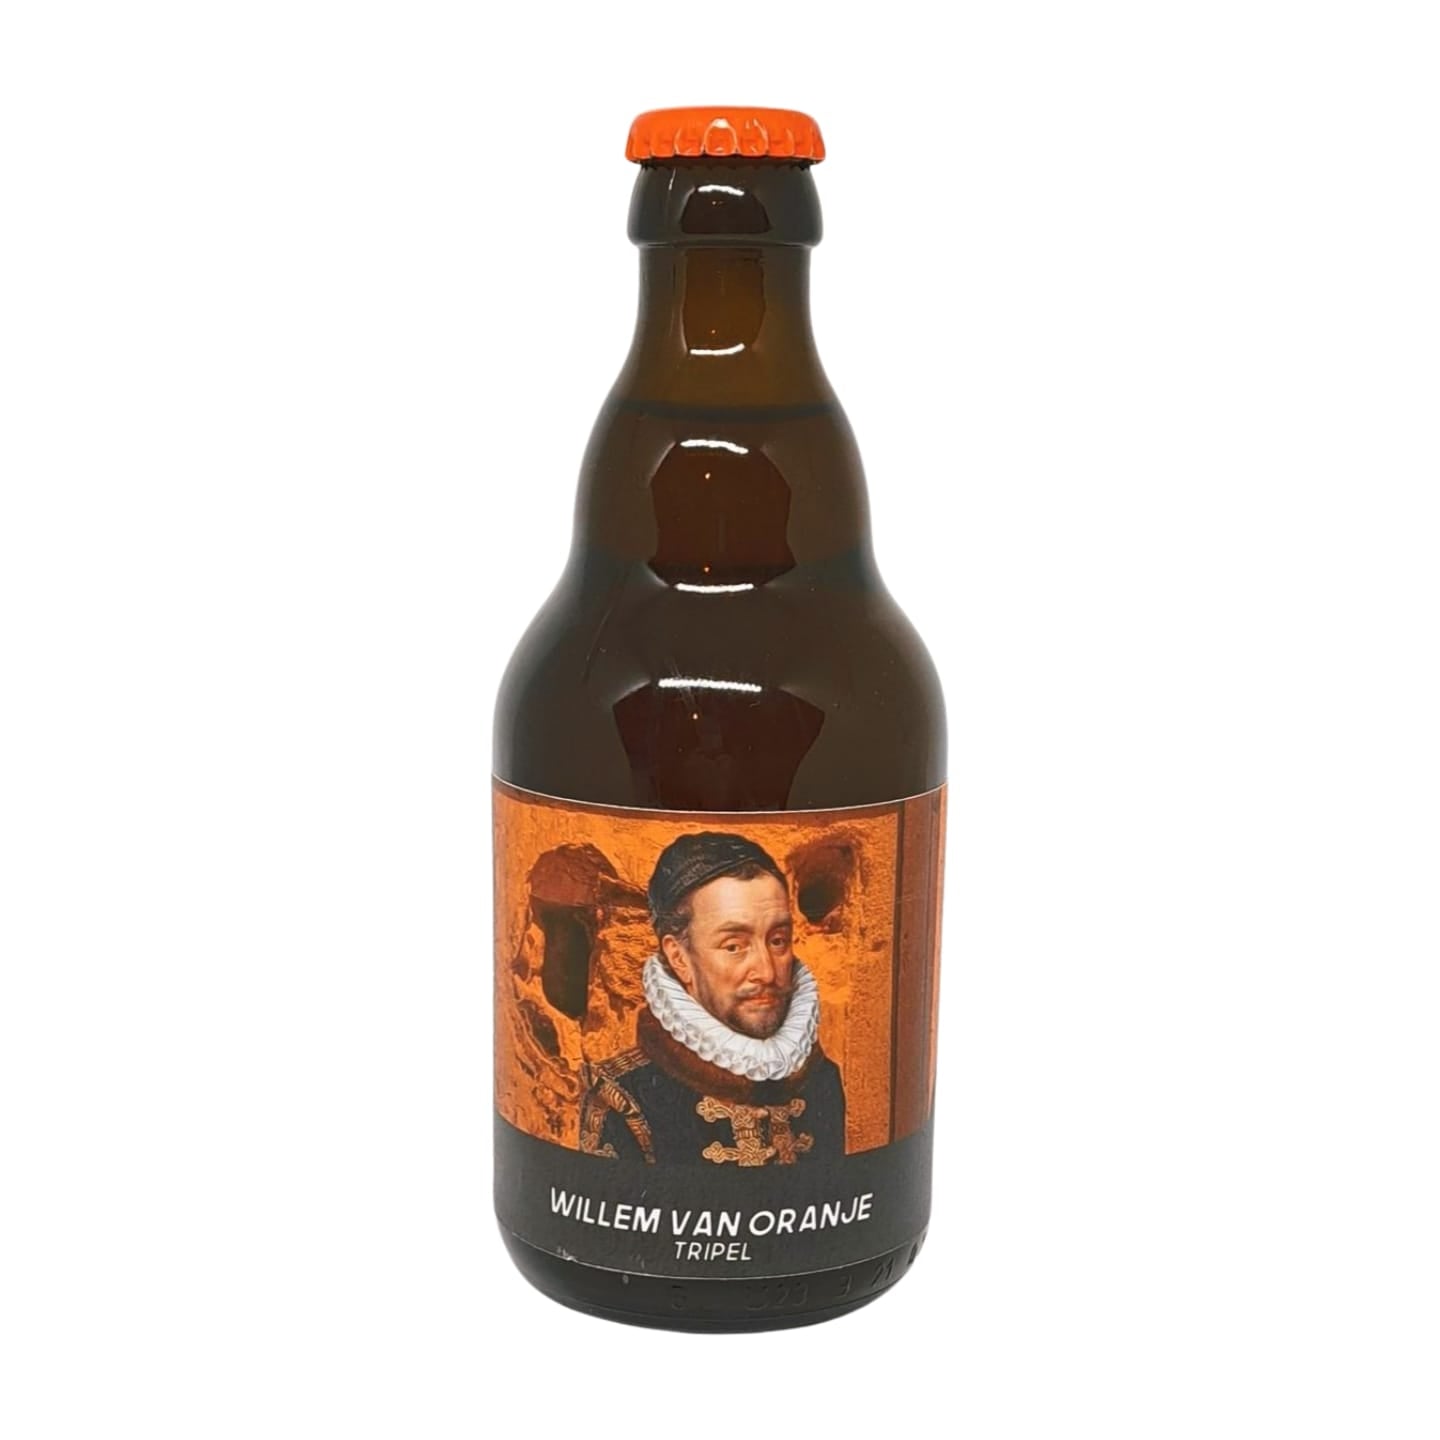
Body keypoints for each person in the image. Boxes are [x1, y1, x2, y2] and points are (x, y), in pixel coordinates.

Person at [579, 831, 846, 1166]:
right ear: (679, 958)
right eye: (734, 946)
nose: (766, 972)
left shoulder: (820, 1077)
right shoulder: (622, 1094)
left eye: (778, 940)